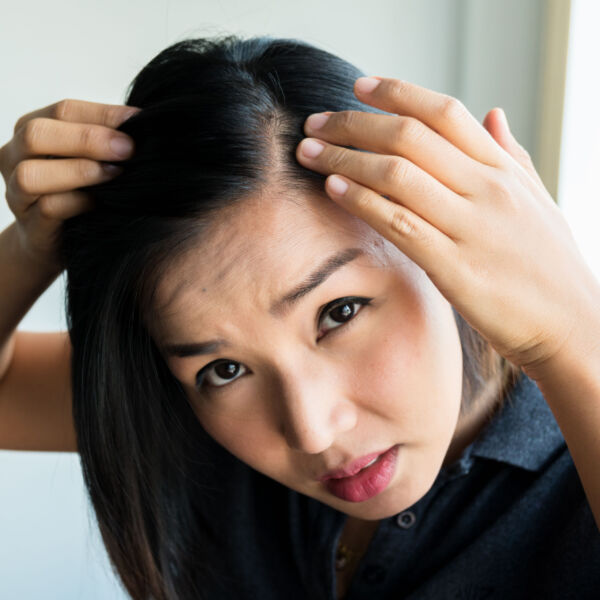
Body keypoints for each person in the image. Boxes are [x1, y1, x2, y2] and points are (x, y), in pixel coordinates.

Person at [0, 34, 599, 600]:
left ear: (433, 237)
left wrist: (572, 337)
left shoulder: (575, 448)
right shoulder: (183, 417)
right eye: (226, 369)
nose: (312, 430)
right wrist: (27, 249)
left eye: (339, 313)